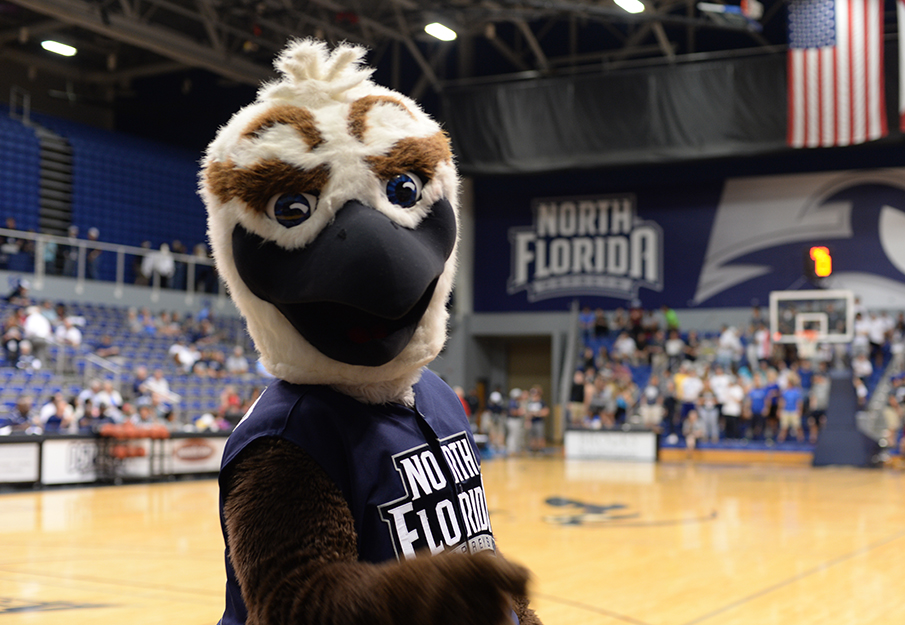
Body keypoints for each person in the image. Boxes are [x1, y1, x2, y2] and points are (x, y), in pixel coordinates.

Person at [777, 372, 804, 443]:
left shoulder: (796, 391)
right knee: (783, 427)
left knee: (797, 426)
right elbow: (782, 401)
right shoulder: (785, 392)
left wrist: (800, 410)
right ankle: (780, 441)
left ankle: (801, 440)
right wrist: (779, 410)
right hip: (786, 410)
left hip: (794, 410)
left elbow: (799, 402)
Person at [525, 385, 549, 453]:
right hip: (532, 422)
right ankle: (533, 448)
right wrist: (527, 420)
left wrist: (538, 413)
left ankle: (541, 448)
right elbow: (526, 412)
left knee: (540, 435)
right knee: (532, 436)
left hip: (539, 421)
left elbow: (546, 411)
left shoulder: (542, 402)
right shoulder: (529, 402)